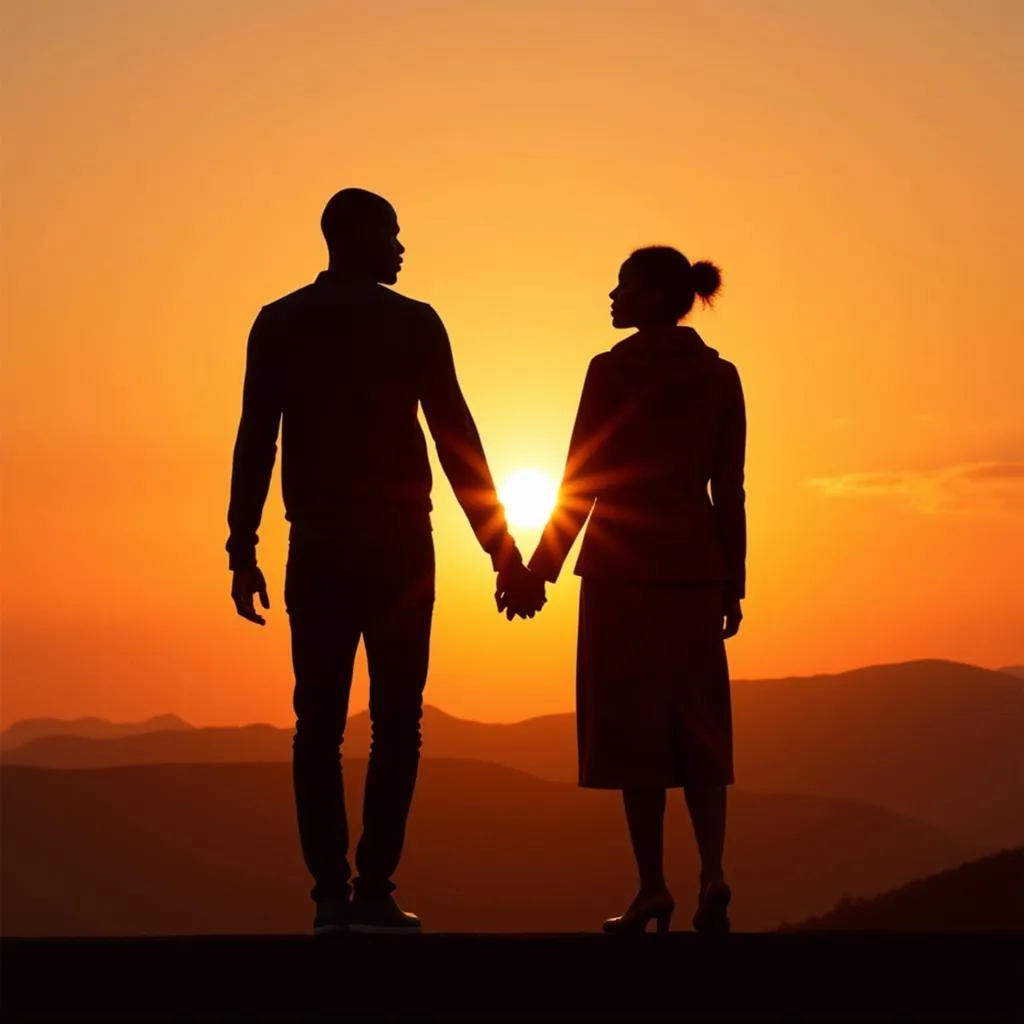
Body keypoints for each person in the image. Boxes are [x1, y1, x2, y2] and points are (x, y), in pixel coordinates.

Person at [226, 188, 544, 936]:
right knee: (397, 724)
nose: (403, 248)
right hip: (400, 547)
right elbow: (457, 441)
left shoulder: (279, 323)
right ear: (358, 236)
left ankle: (330, 898)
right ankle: (371, 890)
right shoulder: (413, 324)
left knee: (318, 726)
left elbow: (254, 442)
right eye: (394, 235)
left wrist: (243, 548)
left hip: (320, 547)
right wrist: (505, 555)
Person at [525, 246, 745, 934]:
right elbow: (729, 490)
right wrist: (732, 580)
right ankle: (712, 871)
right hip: (695, 567)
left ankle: (653, 886)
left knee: (634, 733)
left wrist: (538, 570)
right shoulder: (720, 376)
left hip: (621, 571)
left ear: (653, 294)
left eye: (623, 285)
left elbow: (581, 479)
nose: (612, 296)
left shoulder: (611, 371)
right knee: (700, 726)